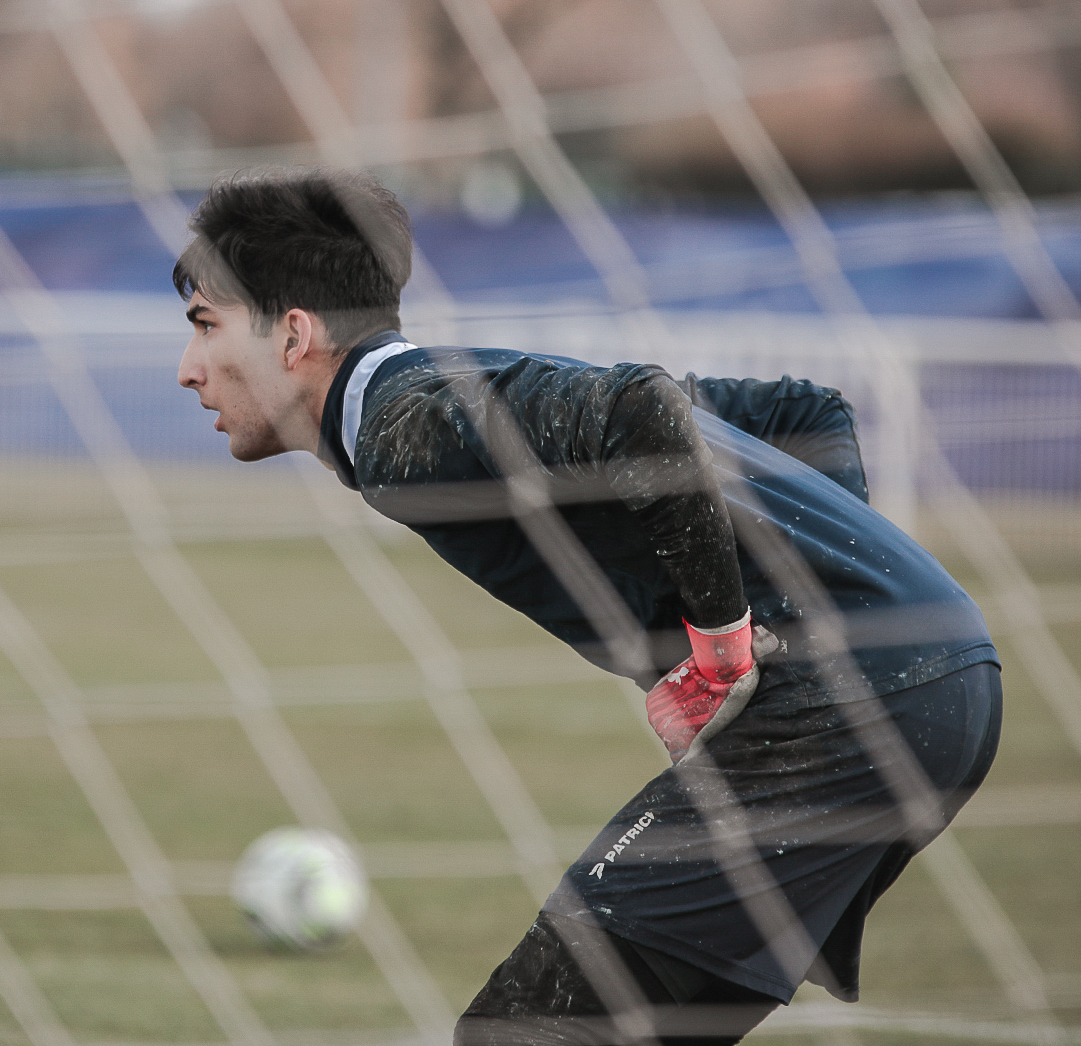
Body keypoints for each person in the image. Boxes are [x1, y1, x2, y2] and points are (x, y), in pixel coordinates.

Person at [173, 168, 1001, 1046]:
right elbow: (804, 409)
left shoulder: (398, 421)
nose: (189, 370)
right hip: (938, 676)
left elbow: (644, 414)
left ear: (294, 334)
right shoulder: (447, 386)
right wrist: (824, 588)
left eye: (205, 327)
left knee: (520, 1032)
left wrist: (726, 640)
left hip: (849, 701)